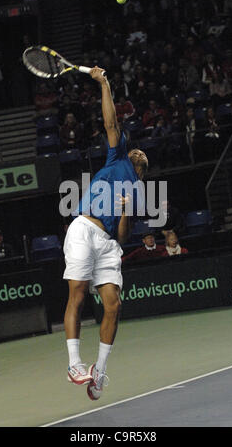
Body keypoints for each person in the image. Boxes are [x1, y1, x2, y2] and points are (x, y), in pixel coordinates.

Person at [63, 66, 148, 401]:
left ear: (143, 171)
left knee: (113, 305)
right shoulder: (117, 157)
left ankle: (98, 370)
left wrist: (126, 208)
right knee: (78, 294)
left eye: (142, 157)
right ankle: (73, 365)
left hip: (109, 244)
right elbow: (111, 122)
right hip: (84, 228)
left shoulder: (136, 191)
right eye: (136, 151)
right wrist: (105, 83)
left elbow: (124, 236)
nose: (138, 152)